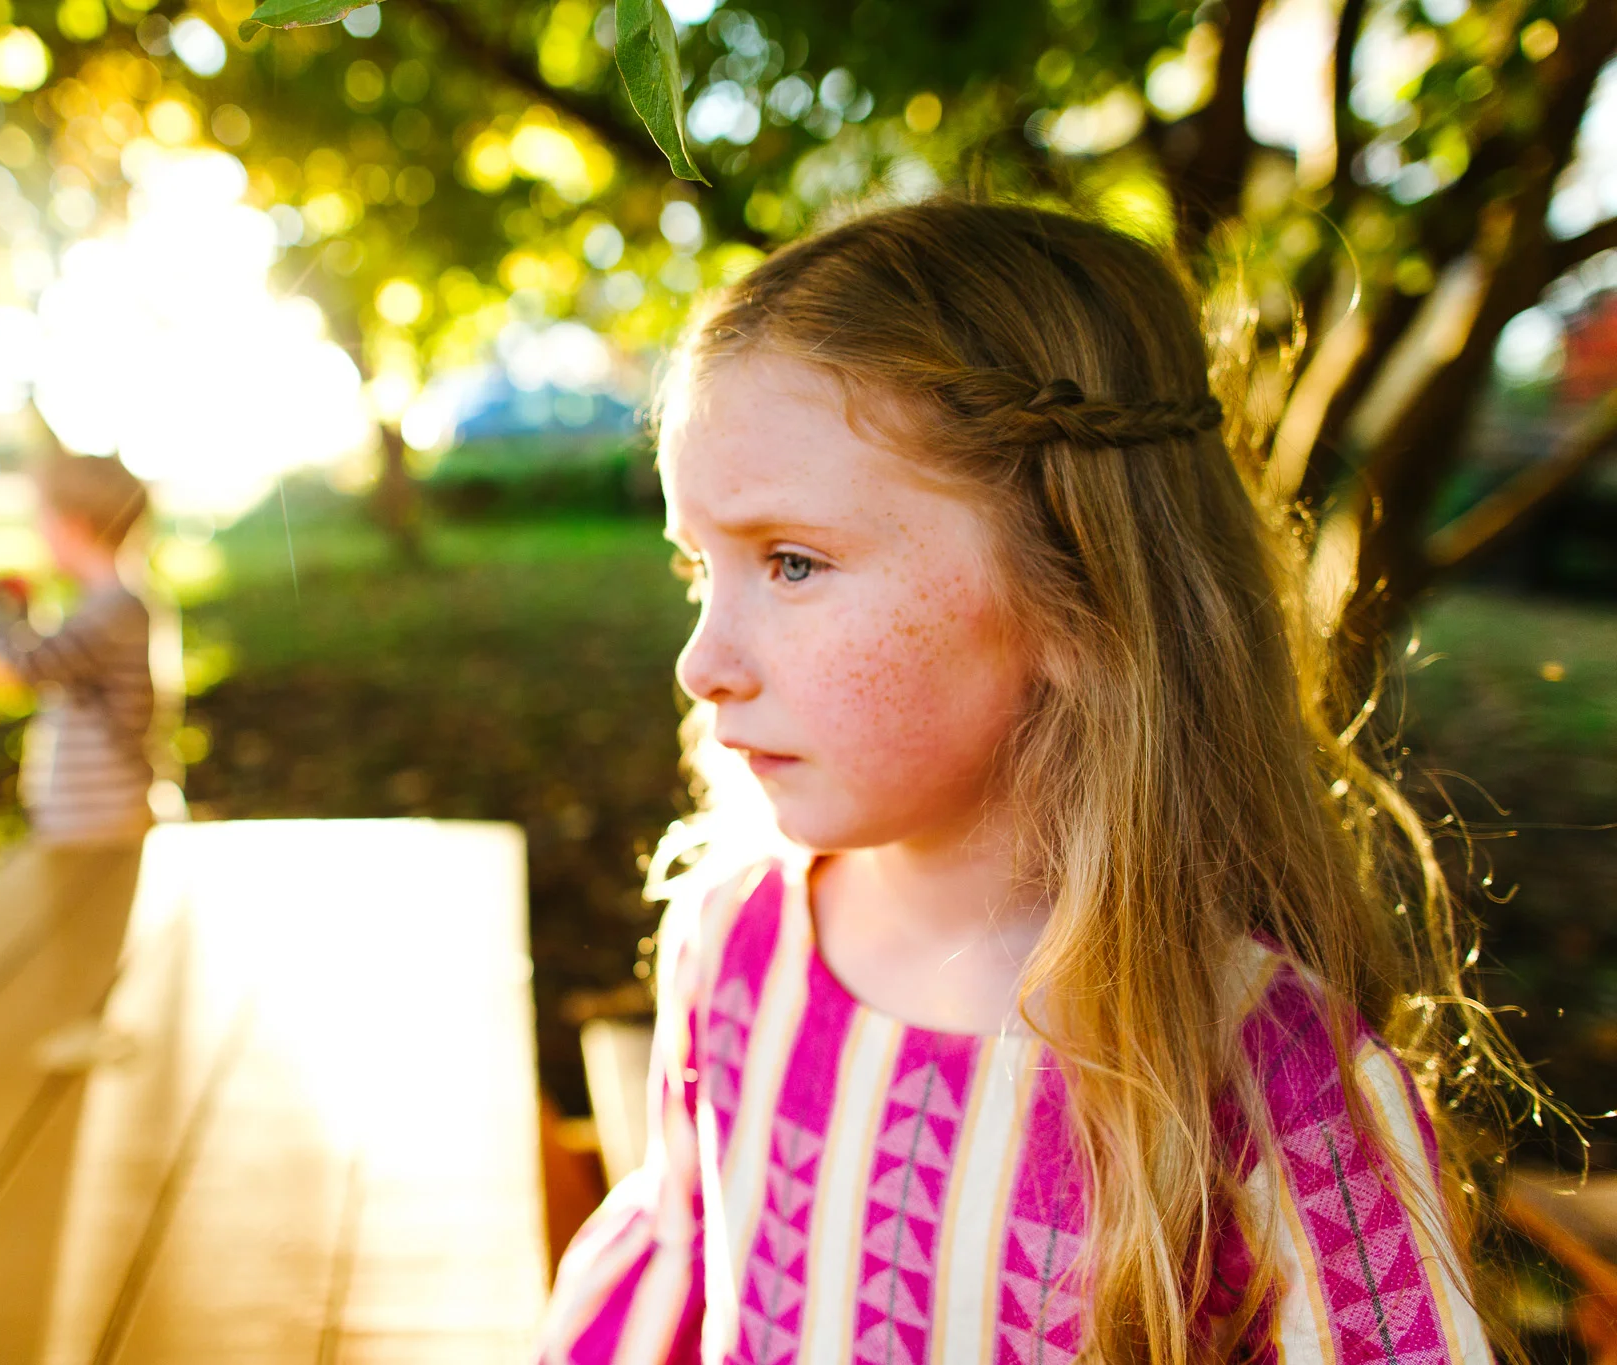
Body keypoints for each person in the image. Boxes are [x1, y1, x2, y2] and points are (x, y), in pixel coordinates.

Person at [537, 200, 1515, 1363]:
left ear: (1077, 592)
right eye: (699, 566)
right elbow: (678, 1278)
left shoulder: (1266, 1085)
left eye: (791, 562)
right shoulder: (735, 943)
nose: (702, 662)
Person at [0, 451, 184, 847]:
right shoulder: (109, 604)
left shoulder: (116, 608)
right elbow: (51, 662)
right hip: (96, 813)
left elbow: (22, 668)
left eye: (41, 518)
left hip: (105, 819)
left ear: (72, 526)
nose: (37, 531)